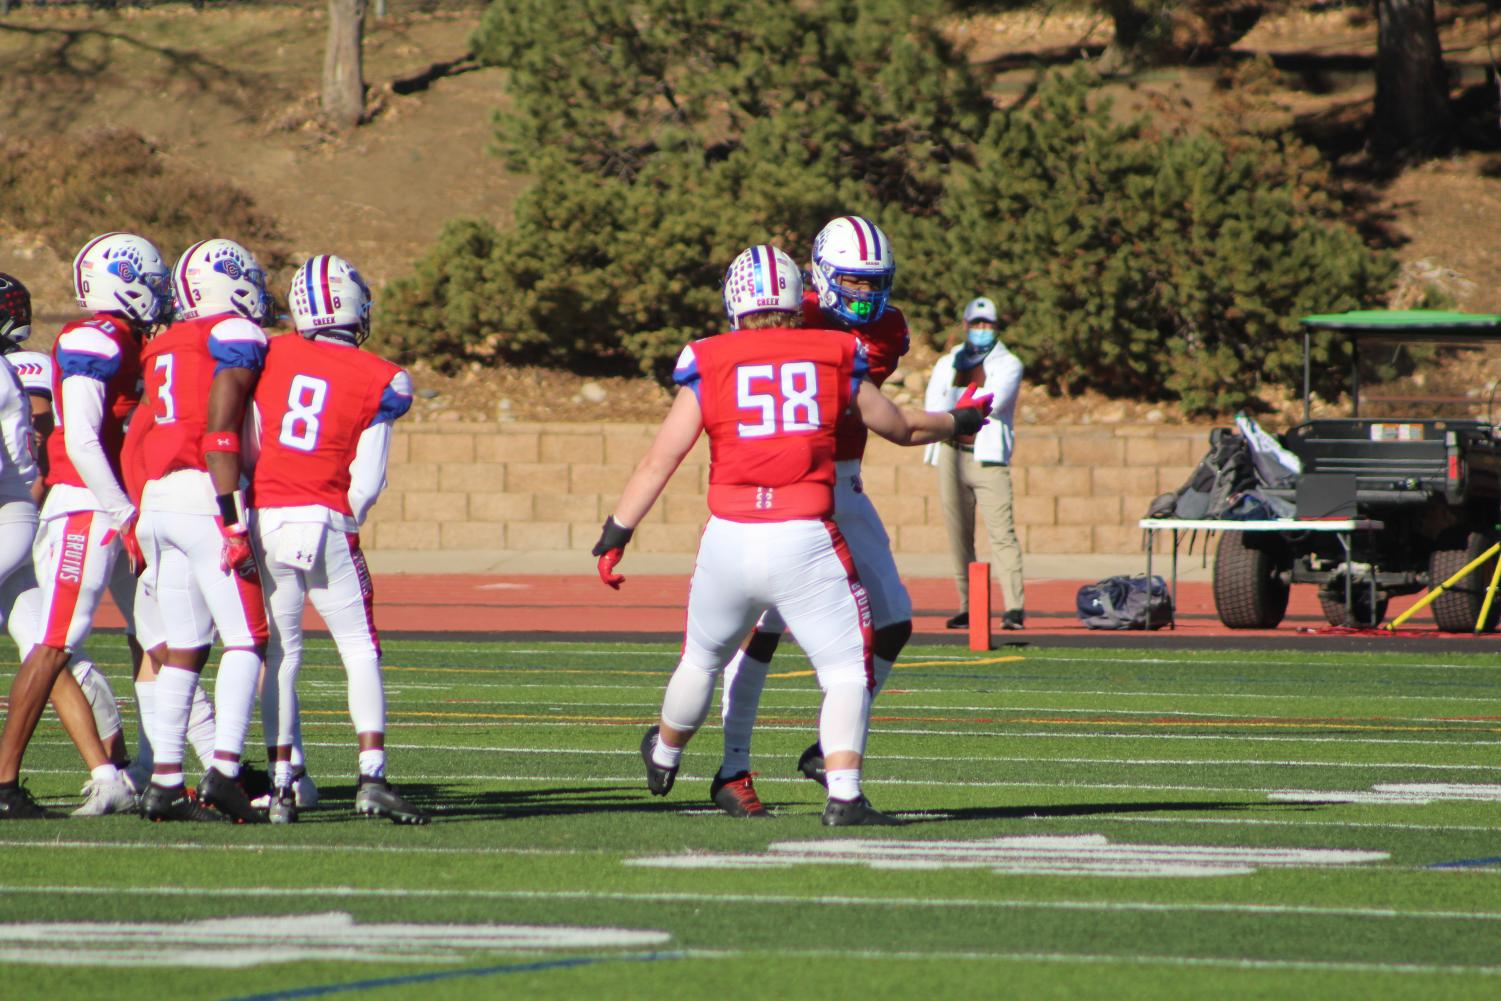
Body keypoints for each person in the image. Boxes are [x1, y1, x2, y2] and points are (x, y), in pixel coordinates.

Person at [593, 245, 992, 826]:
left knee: (701, 659)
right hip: (806, 529)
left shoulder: (710, 359)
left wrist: (616, 531)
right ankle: (843, 793)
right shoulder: (832, 352)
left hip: (729, 534)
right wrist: (961, 420)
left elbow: (661, 459)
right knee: (845, 671)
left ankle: (665, 750)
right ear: (804, 291)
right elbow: (901, 427)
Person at [709, 216, 915, 817]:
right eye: (851, 284)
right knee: (762, 630)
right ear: (821, 280)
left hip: (844, 485)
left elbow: (864, 406)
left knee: (895, 621)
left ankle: (830, 746)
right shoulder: (793, 320)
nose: (864, 296)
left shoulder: (888, 329)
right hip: (789, 492)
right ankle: (733, 767)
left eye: (874, 283)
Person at [251, 254, 423, 825]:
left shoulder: (268, 352)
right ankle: (371, 775)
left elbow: (251, 439)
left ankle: (280, 785)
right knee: (359, 647)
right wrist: (346, 517)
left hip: (266, 517)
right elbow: (368, 479)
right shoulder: (382, 376)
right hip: (325, 518)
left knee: (281, 653)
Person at [0, 237, 167, 821]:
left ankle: (157, 771)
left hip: (85, 506)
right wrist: (124, 511)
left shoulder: (126, 340)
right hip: (81, 508)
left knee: (147, 638)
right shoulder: (90, 341)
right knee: (54, 647)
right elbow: (71, 440)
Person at [130, 237, 273, 823]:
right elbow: (222, 425)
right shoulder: (234, 335)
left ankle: (166, 780)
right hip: (205, 491)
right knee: (247, 639)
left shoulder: (162, 342)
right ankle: (224, 771)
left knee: (185, 647)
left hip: (159, 498)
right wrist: (234, 517)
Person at [924, 296, 1025, 630]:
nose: (982, 330)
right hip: (952, 454)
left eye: (988, 324)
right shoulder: (948, 361)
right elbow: (934, 403)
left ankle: (1014, 608)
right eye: (976, 323)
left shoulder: (1008, 363)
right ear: (965, 325)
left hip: (987, 459)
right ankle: (969, 605)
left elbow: (990, 403)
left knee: (1002, 533)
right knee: (958, 535)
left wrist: (957, 406)